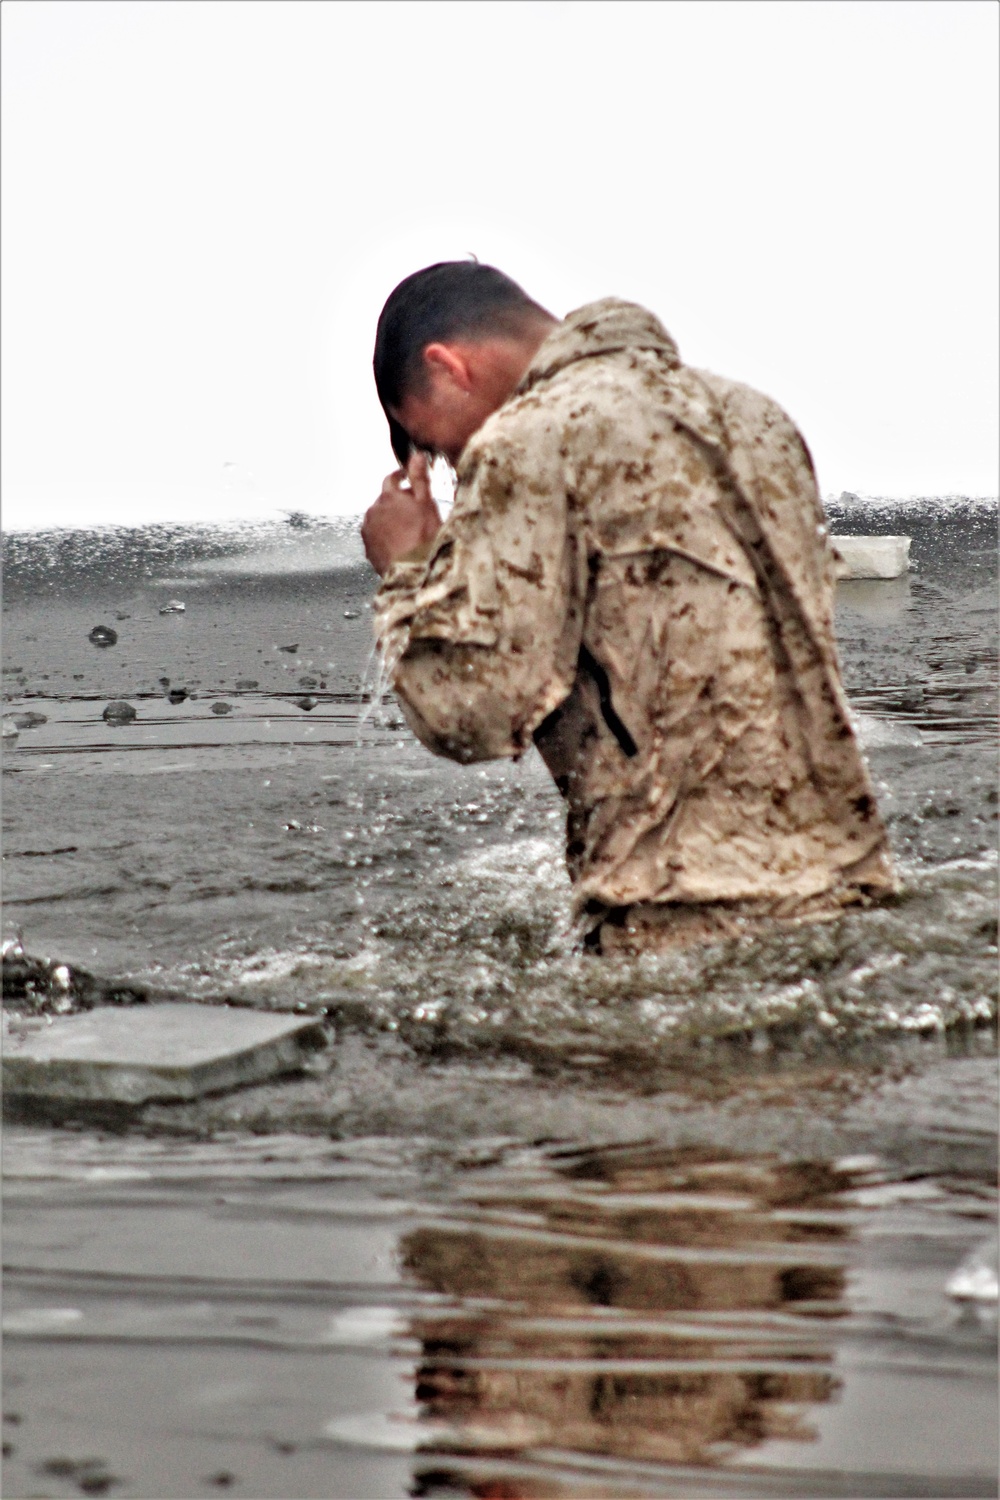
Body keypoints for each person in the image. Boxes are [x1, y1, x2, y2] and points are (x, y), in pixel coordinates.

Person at [361, 262, 897, 953]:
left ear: (449, 366)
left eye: (435, 445)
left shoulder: (526, 439)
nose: (454, 464)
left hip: (680, 921)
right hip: (848, 894)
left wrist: (410, 571)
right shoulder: (755, 418)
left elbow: (471, 711)